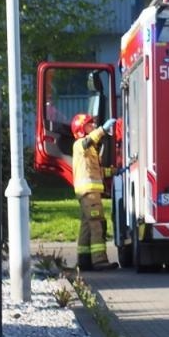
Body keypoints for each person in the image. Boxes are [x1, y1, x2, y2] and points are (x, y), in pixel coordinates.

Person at [71, 112, 117, 272]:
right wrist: (103, 130)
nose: (93, 127)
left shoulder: (90, 150)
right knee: (98, 224)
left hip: (87, 193)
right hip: (89, 193)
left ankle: (83, 260)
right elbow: (88, 140)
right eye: (90, 125)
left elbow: (96, 171)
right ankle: (99, 261)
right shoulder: (80, 145)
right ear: (81, 129)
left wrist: (115, 171)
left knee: (87, 225)